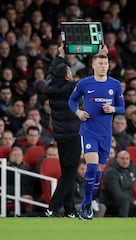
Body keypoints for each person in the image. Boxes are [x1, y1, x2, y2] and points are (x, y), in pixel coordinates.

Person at [68, 45, 125, 220]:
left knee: (99, 173)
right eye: (100, 63)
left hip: (106, 134)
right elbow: (72, 100)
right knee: (91, 167)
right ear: (93, 65)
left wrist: (112, 108)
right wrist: (77, 112)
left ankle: (87, 204)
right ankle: (86, 204)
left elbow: (122, 108)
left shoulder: (115, 85)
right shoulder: (85, 83)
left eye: (105, 63)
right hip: (89, 131)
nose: (103, 66)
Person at [44, 43, 82, 217]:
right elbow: (91, 78)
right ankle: (52, 207)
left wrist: (59, 55)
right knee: (70, 173)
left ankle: (70, 209)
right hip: (73, 134)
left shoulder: (50, 87)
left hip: (60, 136)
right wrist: (99, 57)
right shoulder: (70, 88)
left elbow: (52, 72)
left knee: (68, 172)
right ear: (68, 75)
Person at [101, 150, 136, 217]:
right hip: (111, 202)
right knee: (125, 202)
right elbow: (117, 194)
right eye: (122, 158)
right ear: (117, 160)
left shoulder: (132, 167)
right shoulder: (111, 172)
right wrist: (134, 201)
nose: (125, 161)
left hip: (129, 200)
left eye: (127, 158)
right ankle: (123, 223)